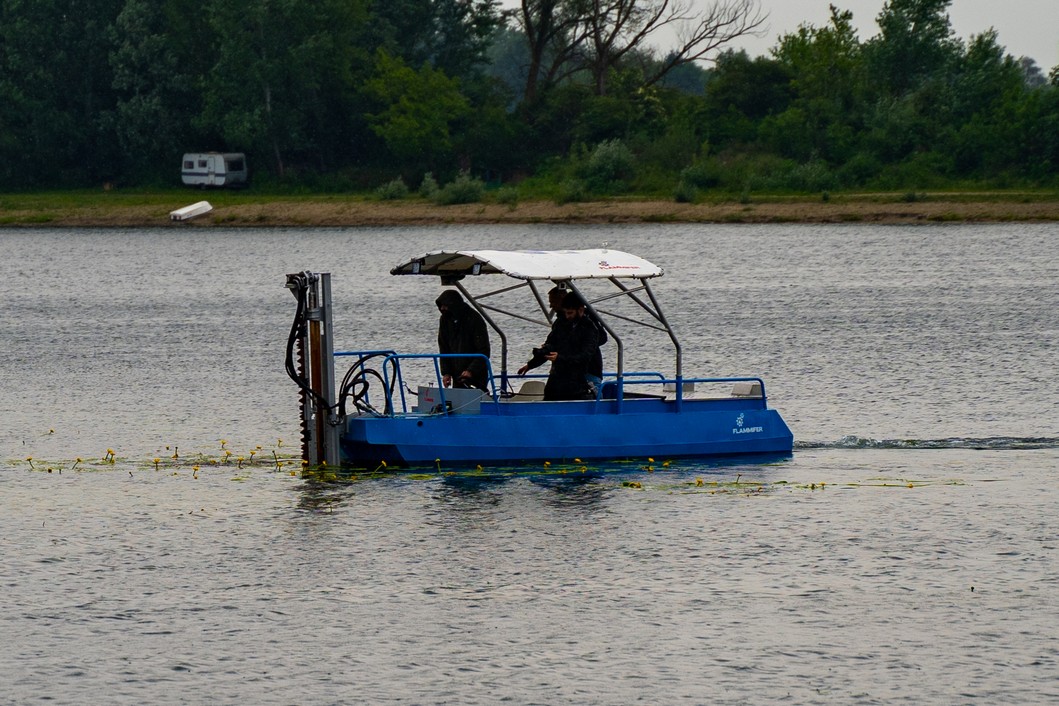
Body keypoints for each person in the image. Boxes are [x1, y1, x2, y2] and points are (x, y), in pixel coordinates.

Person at [517, 291, 598, 401]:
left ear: (580, 310)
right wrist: (532, 363)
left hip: (575, 382)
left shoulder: (589, 329)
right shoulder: (561, 323)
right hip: (555, 381)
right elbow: (551, 345)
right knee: (550, 398)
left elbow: (585, 356)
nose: (567, 316)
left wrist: (560, 358)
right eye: (565, 313)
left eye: (570, 313)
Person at [436, 289, 491, 391]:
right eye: (440, 306)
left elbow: (484, 350)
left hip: (476, 372)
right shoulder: (445, 319)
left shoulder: (474, 318)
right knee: (458, 398)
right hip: (456, 371)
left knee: (476, 397)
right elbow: (443, 347)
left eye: (445, 305)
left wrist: (471, 370)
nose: (442, 308)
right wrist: (446, 372)